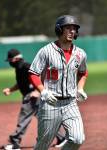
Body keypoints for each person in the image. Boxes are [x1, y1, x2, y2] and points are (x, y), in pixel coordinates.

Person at [29, 15, 88, 150]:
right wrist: (43, 91)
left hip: (71, 104)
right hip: (51, 104)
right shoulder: (46, 51)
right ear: (59, 29)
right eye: (68, 28)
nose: (72, 31)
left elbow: (83, 72)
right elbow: (33, 73)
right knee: (43, 144)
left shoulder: (80, 54)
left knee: (78, 139)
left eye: (74, 29)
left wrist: (80, 88)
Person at [3, 49, 40, 150]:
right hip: (32, 96)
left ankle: (15, 143)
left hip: (32, 96)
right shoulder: (19, 68)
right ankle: (61, 138)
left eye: (11, 60)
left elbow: (40, 77)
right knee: (44, 118)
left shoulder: (26, 66)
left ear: (16, 58)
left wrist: (38, 91)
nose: (10, 62)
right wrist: (10, 90)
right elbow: (21, 84)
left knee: (23, 118)